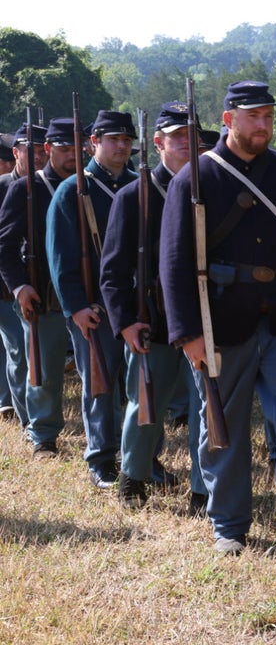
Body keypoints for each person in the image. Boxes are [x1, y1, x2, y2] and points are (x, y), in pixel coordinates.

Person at [159, 80, 276, 556]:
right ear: (228, 120)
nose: (263, 125)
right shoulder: (195, 178)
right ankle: (229, 525)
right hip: (221, 322)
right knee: (223, 427)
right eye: (253, 116)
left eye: (268, 116)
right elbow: (174, 261)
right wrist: (187, 334)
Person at [100, 103, 204, 510]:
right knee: (145, 404)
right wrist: (125, 322)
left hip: (203, 320)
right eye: (177, 137)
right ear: (157, 143)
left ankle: (204, 487)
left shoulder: (209, 189)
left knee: (206, 409)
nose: (185, 144)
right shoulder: (132, 196)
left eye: (192, 137)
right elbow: (112, 270)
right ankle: (134, 477)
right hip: (152, 320)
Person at [46, 110, 138, 489]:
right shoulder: (74, 189)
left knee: (142, 384)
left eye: (127, 140)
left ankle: (140, 454)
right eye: (113, 139)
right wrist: (75, 308)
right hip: (94, 306)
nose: (121, 147)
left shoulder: (137, 184)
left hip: (134, 304)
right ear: (94, 142)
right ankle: (102, 457)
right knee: (99, 383)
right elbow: (60, 255)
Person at [0, 120, 75, 460]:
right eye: (65, 148)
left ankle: (107, 440)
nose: (73, 155)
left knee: (105, 371)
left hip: (89, 292)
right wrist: (19, 286)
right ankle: (42, 434)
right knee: (38, 366)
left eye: (77, 147)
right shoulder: (25, 188)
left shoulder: (89, 186)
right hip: (42, 290)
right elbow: (5, 246)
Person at [0, 127, 40, 426]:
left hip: (33, 282)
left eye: (42, 151)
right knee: (17, 348)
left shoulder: (48, 186)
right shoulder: (4, 186)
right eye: (32, 151)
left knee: (30, 352)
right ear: (16, 153)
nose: (38, 157)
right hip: (7, 284)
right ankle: (24, 416)